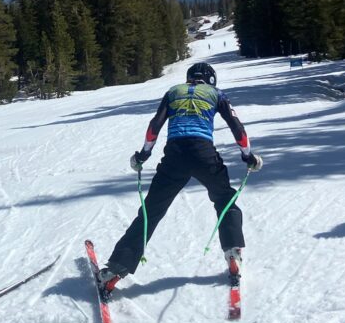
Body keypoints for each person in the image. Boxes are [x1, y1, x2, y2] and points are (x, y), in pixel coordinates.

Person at [99, 62, 263, 293]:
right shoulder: (216, 94)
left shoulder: (173, 92)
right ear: (211, 80)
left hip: (174, 156)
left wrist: (143, 155)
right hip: (204, 154)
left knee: (151, 212)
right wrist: (248, 156)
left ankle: (116, 269)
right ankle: (233, 251)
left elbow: (154, 126)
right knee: (225, 200)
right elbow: (237, 127)